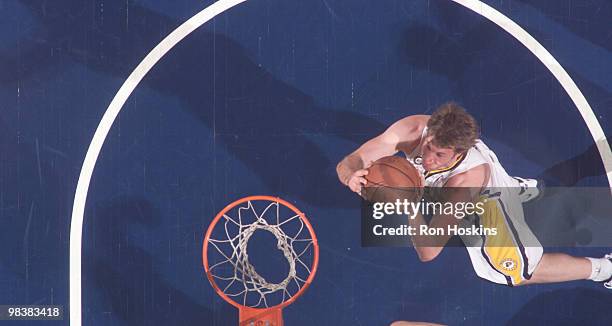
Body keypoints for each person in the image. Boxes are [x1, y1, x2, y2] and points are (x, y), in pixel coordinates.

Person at [336, 102, 612, 289]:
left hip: (484, 201)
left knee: (518, 272)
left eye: (439, 155)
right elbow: (354, 158)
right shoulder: (413, 129)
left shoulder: (467, 180)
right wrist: (351, 174)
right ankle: (544, 183)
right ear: (429, 130)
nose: (428, 157)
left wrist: (410, 207)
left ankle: (604, 269)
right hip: (481, 178)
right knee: (532, 189)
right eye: (429, 146)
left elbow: (429, 251)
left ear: (458, 153)